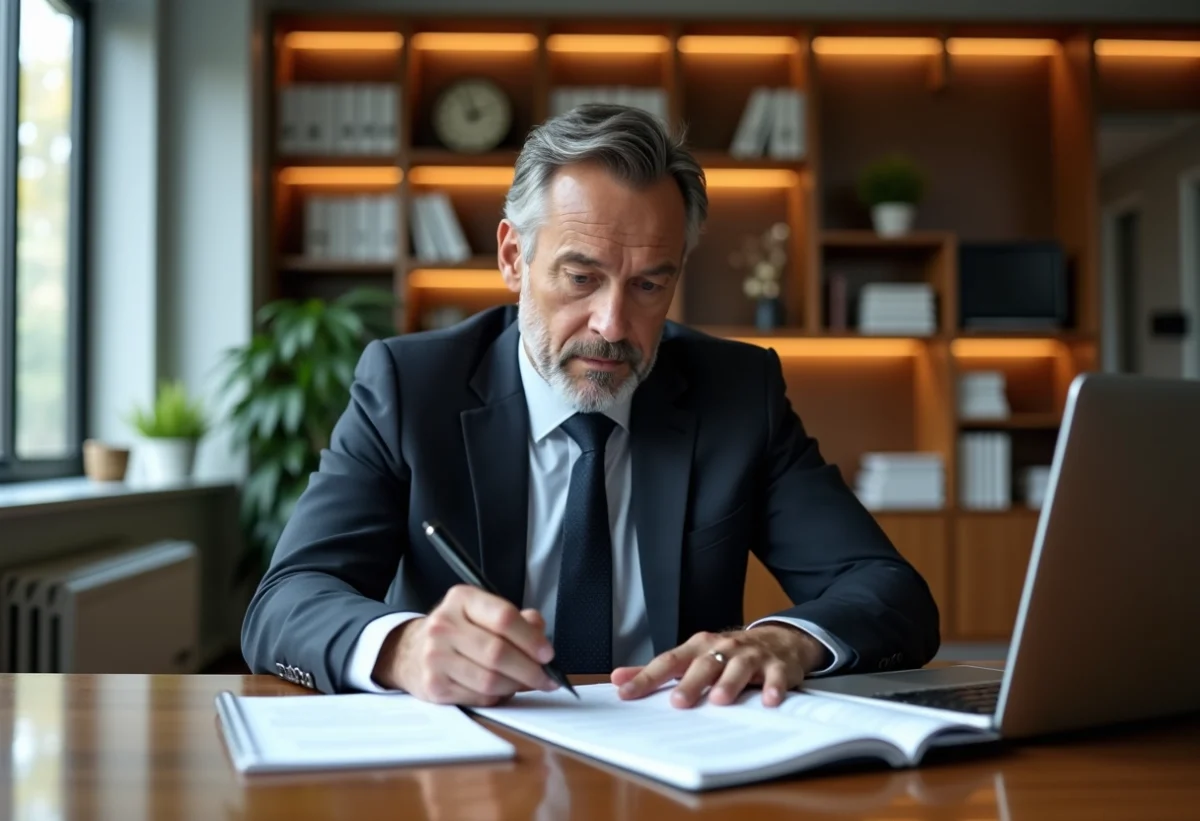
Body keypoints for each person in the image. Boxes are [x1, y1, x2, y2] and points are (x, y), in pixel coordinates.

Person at [241, 104, 940, 710]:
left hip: (678, 758)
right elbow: (286, 600)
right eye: (581, 277)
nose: (611, 324)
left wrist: (787, 639)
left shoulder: (736, 393)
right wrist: (403, 647)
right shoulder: (410, 387)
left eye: (649, 286)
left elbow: (889, 590)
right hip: (468, 760)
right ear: (513, 257)